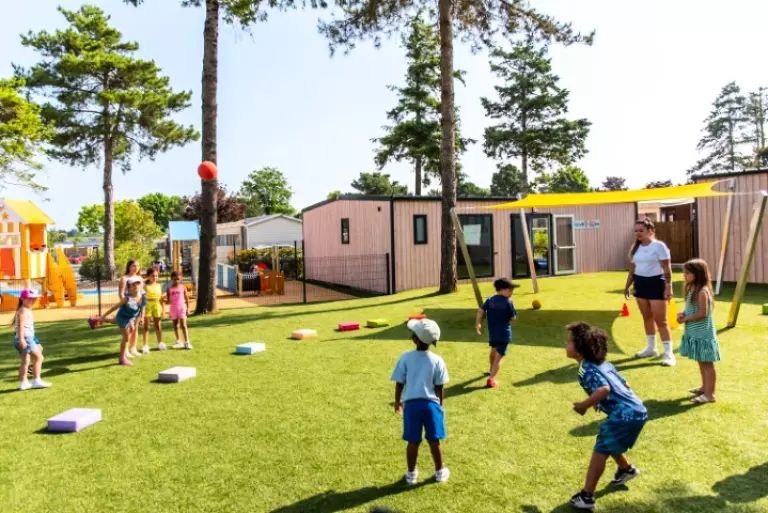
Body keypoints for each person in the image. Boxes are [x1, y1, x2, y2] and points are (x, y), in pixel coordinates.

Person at [566, 322, 647, 510]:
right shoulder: (604, 364)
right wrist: (599, 402)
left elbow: (604, 389)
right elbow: (624, 385)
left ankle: (587, 496)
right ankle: (626, 470)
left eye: (569, 342)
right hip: (638, 409)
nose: (566, 345)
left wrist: (584, 406)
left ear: (580, 349)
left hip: (624, 414)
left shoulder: (586, 368)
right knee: (610, 440)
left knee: (601, 447)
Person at [391, 319, 450, 485]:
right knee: (434, 440)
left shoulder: (405, 358)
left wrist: (397, 402)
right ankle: (440, 471)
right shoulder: (437, 360)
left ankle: (411, 474)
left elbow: (399, 383)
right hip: (431, 405)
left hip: (411, 406)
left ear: (415, 339)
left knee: (413, 441)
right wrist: (440, 406)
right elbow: (439, 387)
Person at [623, 218, 676, 366]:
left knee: (661, 321)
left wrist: (668, 286)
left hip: (656, 284)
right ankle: (651, 348)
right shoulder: (635, 248)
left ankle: (669, 354)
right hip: (640, 284)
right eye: (636, 231)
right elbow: (632, 270)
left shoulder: (659, 246)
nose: (638, 233)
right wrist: (627, 286)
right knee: (647, 318)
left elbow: (666, 268)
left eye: (641, 230)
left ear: (651, 231)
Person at [678, 259, 720, 404]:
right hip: (694, 332)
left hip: (703, 334)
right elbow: (690, 308)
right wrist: (683, 313)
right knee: (701, 361)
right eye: (684, 272)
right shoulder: (692, 288)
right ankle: (704, 388)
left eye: (687, 273)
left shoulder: (702, 292)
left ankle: (710, 394)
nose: (684, 275)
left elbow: (703, 313)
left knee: (707, 363)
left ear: (698, 274)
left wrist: (686, 318)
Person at [475, 278, 518, 388]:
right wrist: (511, 308)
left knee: (493, 350)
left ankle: (491, 369)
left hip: (493, 333)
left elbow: (480, 310)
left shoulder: (490, 300)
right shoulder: (508, 302)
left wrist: (478, 323)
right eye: (510, 290)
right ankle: (492, 379)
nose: (512, 293)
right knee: (499, 356)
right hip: (504, 334)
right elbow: (513, 318)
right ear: (502, 290)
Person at [99, 276, 147, 366]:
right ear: (129, 288)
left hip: (131, 317)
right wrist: (103, 315)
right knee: (126, 337)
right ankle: (122, 358)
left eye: (137, 283)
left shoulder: (142, 296)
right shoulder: (126, 299)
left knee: (112, 321)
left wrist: (142, 317)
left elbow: (142, 307)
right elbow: (114, 308)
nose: (136, 286)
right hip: (122, 318)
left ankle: (95, 319)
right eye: (133, 285)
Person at [13, 289, 52, 390]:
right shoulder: (23, 310)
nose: (32, 301)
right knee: (39, 358)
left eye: (34, 299)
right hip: (26, 338)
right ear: (22, 299)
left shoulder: (25, 310)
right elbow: (20, 326)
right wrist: (22, 339)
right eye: (29, 299)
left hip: (23, 338)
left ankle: (23, 383)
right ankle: (36, 380)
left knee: (25, 361)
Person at [142, 268, 167, 353]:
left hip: (157, 306)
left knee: (158, 325)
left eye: (156, 276)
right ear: (148, 276)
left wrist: (163, 309)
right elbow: (142, 298)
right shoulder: (145, 286)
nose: (155, 277)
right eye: (152, 276)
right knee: (146, 326)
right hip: (148, 306)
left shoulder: (159, 286)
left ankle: (160, 343)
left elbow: (162, 299)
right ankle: (145, 345)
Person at [167, 271, 192, 350]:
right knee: (175, 325)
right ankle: (178, 341)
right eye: (175, 279)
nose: (176, 281)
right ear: (171, 279)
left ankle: (187, 342)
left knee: (183, 325)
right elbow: (168, 300)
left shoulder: (183, 287)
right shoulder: (169, 289)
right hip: (173, 309)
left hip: (181, 308)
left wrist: (188, 308)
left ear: (180, 279)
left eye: (178, 279)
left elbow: (187, 298)